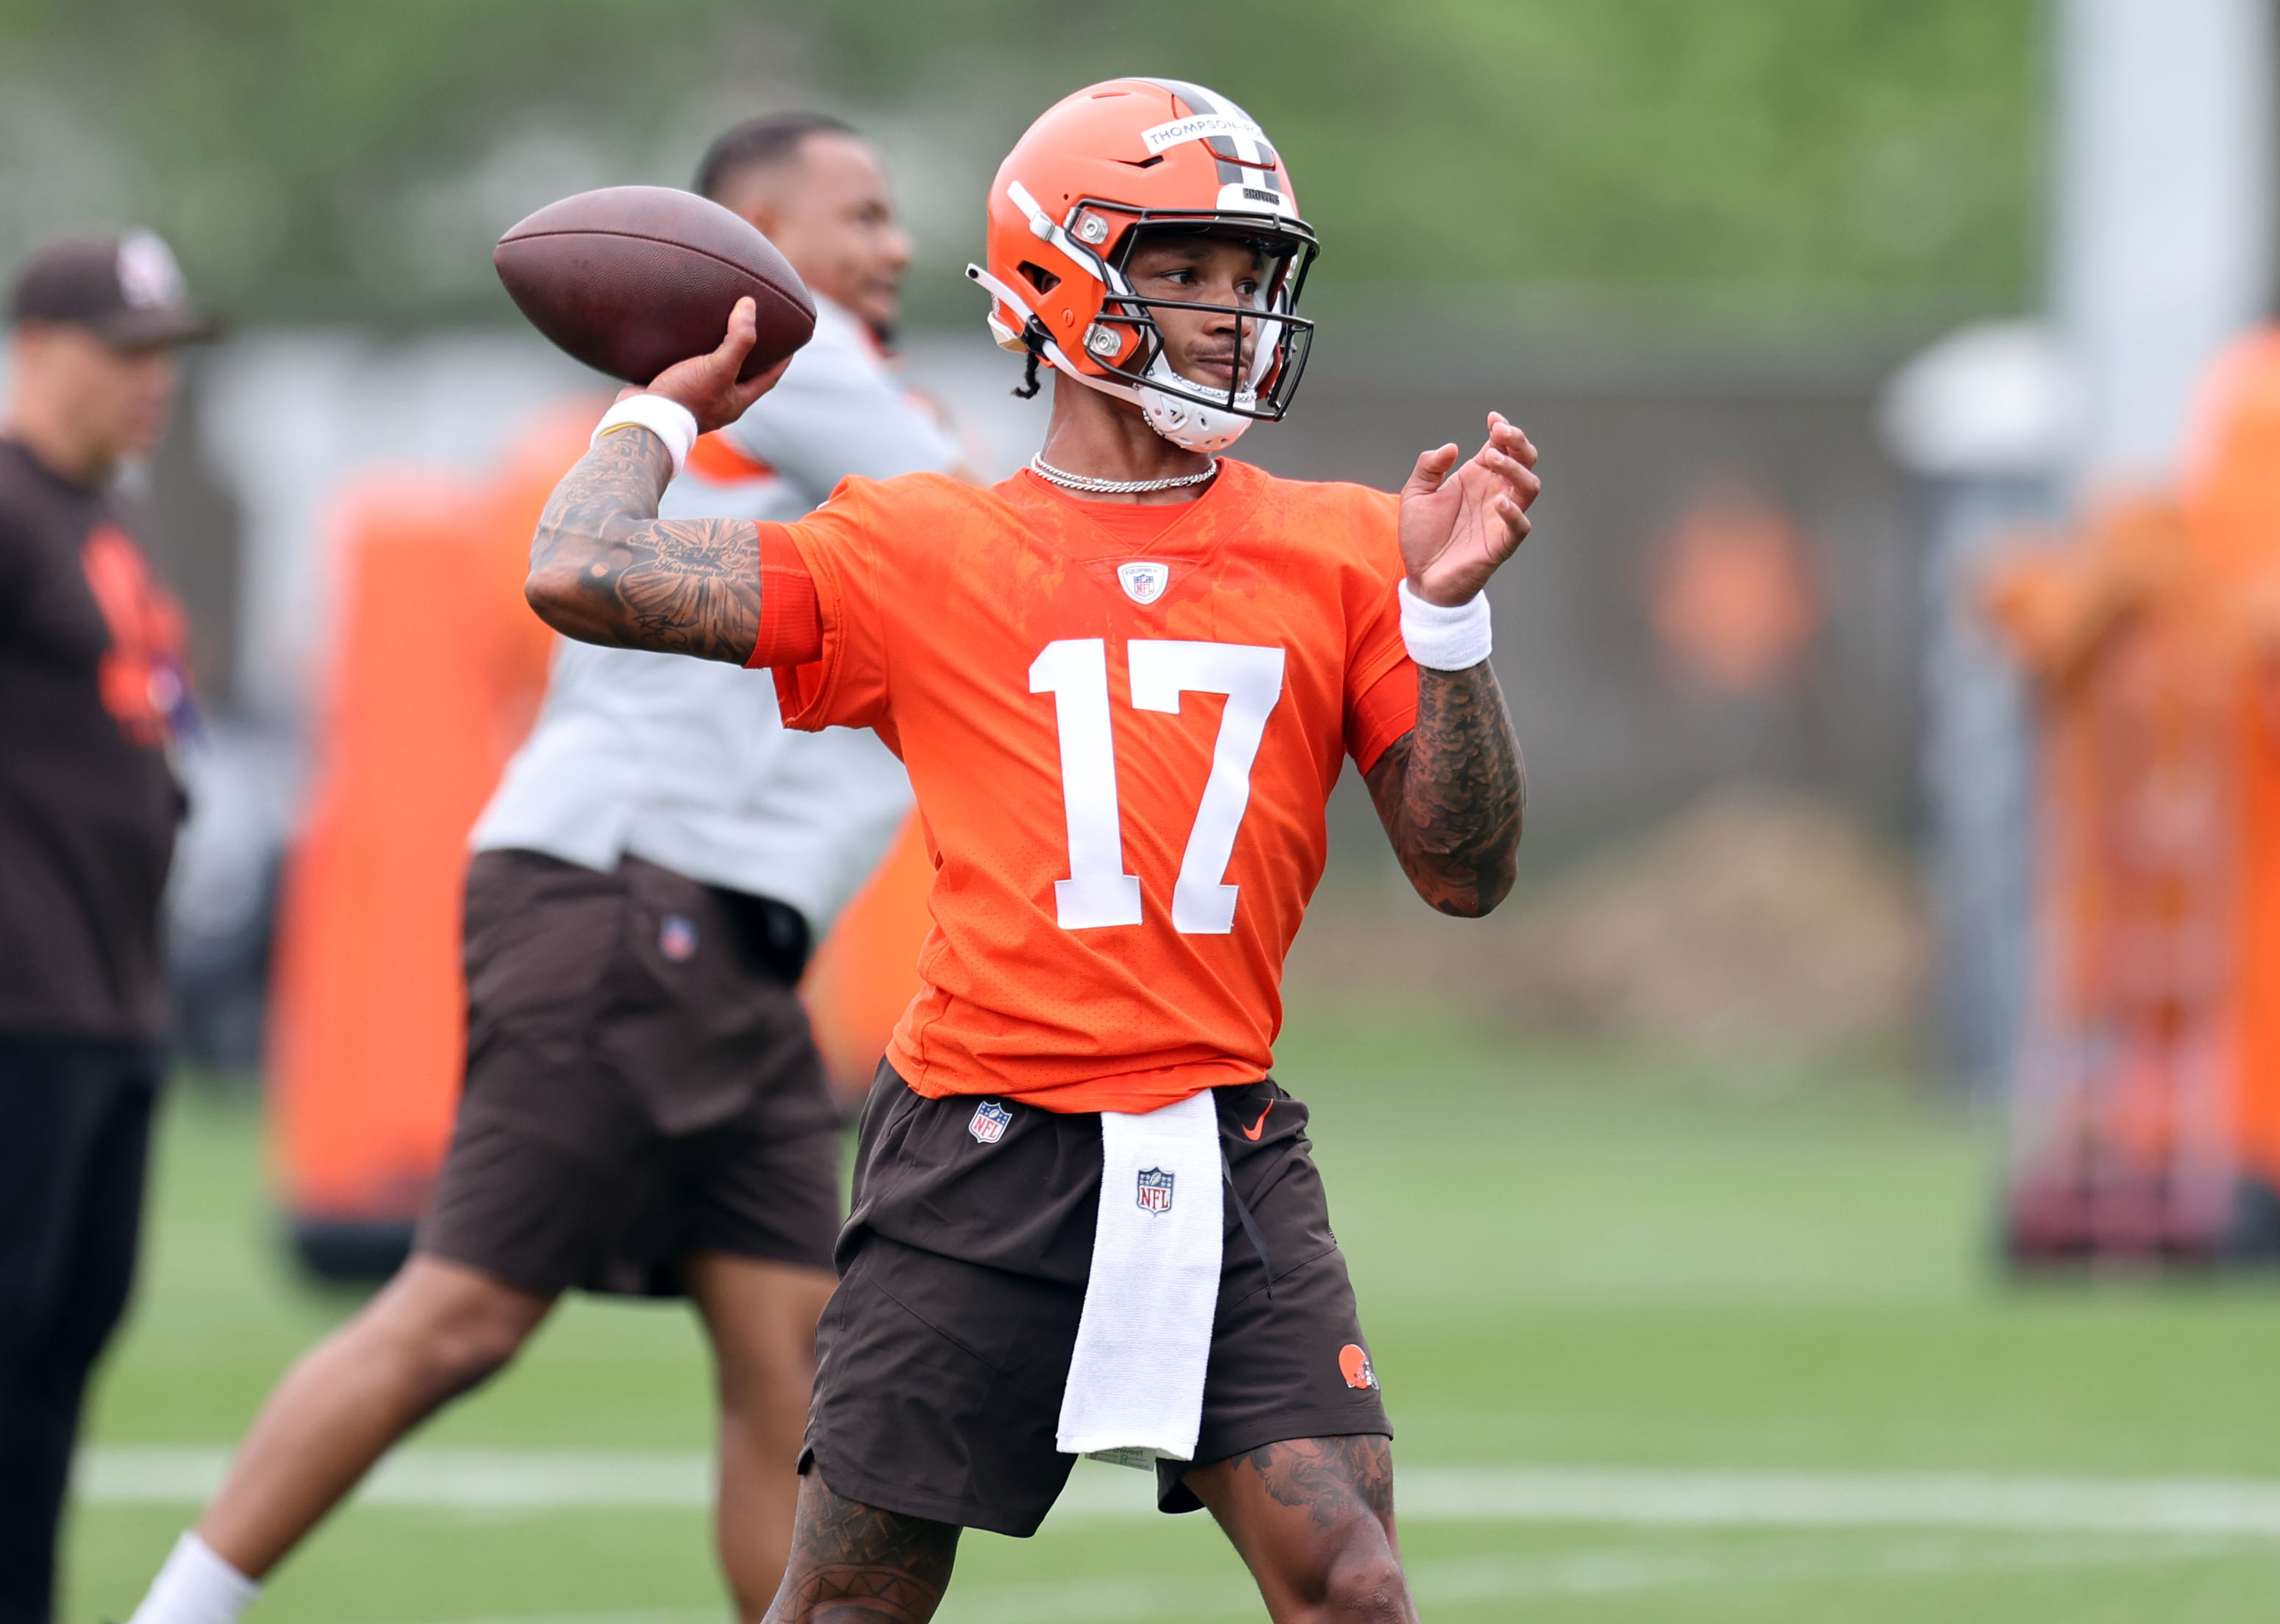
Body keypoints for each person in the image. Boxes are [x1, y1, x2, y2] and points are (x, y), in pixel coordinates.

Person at [521, 78, 1537, 1623]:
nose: (1229, 312)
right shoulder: (922, 544)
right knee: (852, 1605)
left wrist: (1447, 619)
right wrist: (664, 408)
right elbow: (581, 568)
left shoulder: (1343, 544)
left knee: (1351, 1584)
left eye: (1246, 275)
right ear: (1062, 282)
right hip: (979, 1149)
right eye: (1184, 268)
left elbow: (1463, 872)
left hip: (1223, 1141)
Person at [127, 115, 961, 1624]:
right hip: (622, 903)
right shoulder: (791, 342)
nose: (893, 246)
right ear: (749, 232)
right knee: (459, 1317)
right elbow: (970, 527)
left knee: (788, 1357)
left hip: (732, 954)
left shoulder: (803, 392)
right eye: (863, 213)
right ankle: (174, 1613)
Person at [0, 229, 213, 1624]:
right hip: (17, 1010)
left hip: (110, 1008)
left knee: (56, 1355)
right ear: (37, 351)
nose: (154, 386)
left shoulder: (97, 521)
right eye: (124, 355)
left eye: (166, 359)